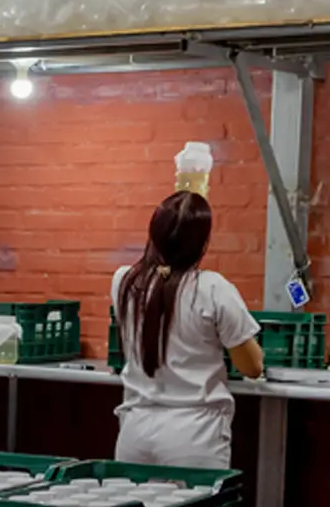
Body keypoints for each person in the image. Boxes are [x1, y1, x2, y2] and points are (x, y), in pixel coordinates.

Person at [112, 191, 266, 468]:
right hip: (193, 437)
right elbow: (252, 366)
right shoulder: (213, 289)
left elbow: (162, 283)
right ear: (202, 243)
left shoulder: (125, 282)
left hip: (134, 433)